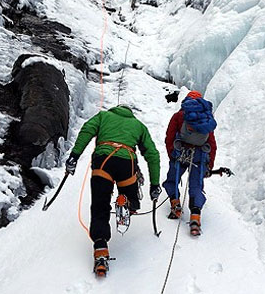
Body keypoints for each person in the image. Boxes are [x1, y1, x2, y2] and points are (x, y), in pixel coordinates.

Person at [65, 104, 161, 276]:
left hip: (103, 162)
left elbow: (87, 129)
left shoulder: (103, 116)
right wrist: (154, 184)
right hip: (127, 164)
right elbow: (152, 154)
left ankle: (101, 248)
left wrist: (74, 156)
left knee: (100, 206)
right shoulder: (138, 125)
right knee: (131, 196)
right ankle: (126, 203)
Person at [162, 91, 217, 236]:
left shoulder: (179, 115)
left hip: (181, 152)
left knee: (172, 180)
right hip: (200, 154)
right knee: (196, 185)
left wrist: (172, 154)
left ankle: (176, 205)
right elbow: (211, 142)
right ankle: (195, 217)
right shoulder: (206, 118)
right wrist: (209, 164)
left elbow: (170, 136)